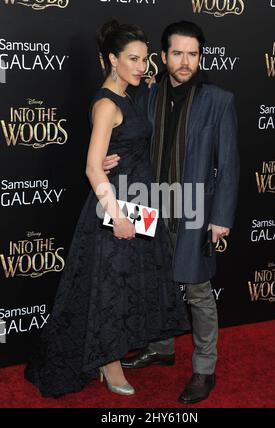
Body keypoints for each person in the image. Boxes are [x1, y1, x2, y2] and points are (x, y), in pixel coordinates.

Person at [24, 20, 189, 398]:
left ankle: (112, 354)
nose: (141, 66)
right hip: (115, 207)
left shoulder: (129, 95)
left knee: (125, 285)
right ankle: (109, 362)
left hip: (140, 201)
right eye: (132, 59)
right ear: (112, 59)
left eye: (145, 59)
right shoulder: (105, 104)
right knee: (111, 289)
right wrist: (116, 216)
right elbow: (92, 166)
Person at [104, 21, 240, 404]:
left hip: (194, 207)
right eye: (177, 53)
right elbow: (127, 135)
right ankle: (162, 347)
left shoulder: (219, 99)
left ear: (200, 56)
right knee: (155, 281)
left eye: (192, 54)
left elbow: (228, 163)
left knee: (197, 291)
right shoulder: (146, 95)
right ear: (162, 58)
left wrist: (222, 216)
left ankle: (204, 369)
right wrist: (109, 159)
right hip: (148, 203)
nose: (185, 61)